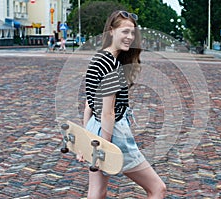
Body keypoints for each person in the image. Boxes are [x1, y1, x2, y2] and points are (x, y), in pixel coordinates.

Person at [77, 10, 167, 198]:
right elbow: (108, 113)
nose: (130, 37)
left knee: (97, 192)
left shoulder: (98, 59)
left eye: (132, 33)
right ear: (111, 31)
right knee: (158, 189)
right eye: (125, 31)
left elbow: (89, 105)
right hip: (113, 132)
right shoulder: (111, 65)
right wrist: (104, 147)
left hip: (95, 128)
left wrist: (86, 141)